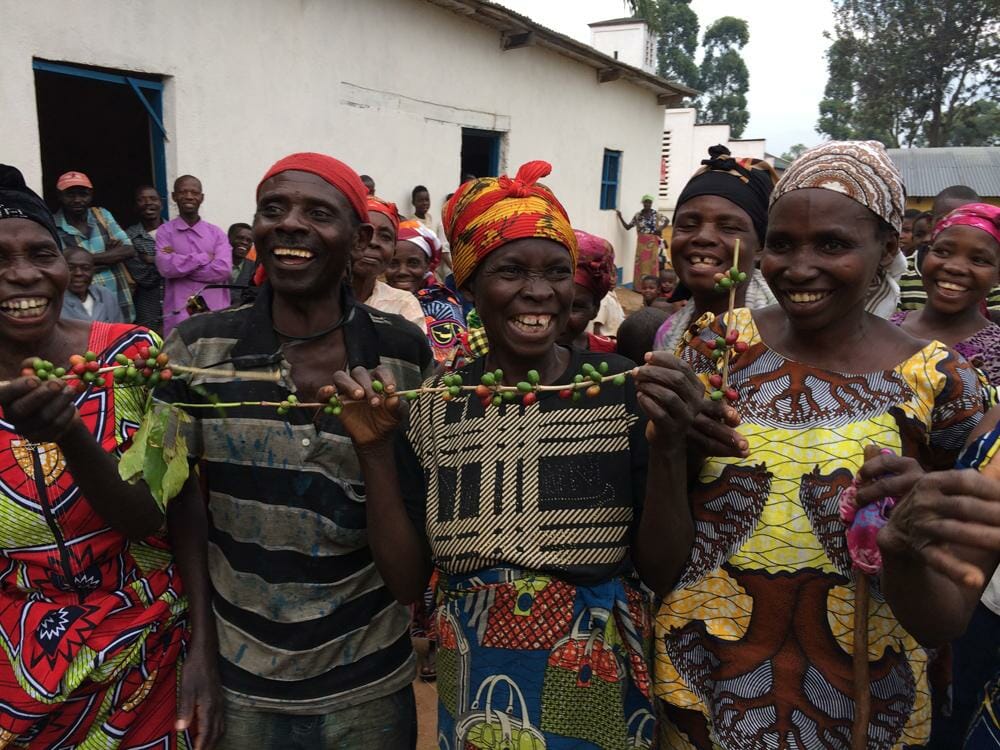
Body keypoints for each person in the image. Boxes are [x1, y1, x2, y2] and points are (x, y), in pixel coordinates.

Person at [330, 160, 700, 749]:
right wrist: (374, 451)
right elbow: (405, 581)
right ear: (470, 286)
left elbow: (661, 569)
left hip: (595, 679)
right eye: (510, 271)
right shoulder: (433, 408)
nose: (539, 291)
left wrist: (669, 450)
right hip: (478, 686)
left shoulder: (625, 391)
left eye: (557, 272)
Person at [653, 141, 990, 749]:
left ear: (890, 249)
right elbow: (663, 550)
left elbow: (948, 617)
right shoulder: (716, 347)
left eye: (832, 245)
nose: (798, 267)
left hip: (863, 704)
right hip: (700, 692)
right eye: (781, 244)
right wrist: (671, 451)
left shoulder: (946, 387)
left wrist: (906, 542)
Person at [153, 153, 430, 749]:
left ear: (358, 240)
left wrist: (375, 447)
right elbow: (183, 512)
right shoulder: (198, 349)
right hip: (242, 680)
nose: (289, 224)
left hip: (369, 683)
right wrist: (200, 654)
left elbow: (410, 567)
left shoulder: (402, 354)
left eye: (317, 212)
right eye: (272, 209)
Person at [0, 165, 221, 748]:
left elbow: (169, 511)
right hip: (19, 671)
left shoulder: (135, 357)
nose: (22, 275)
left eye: (40, 253)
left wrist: (204, 649)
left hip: (150, 655)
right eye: (0, 258)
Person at [652, 145, 778, 354]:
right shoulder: (667, 336)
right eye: (688, 225)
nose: (703, 237)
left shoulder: (786, 333)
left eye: (728, 227)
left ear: (761, 246)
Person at [891, 203, 1000, 384]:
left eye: (979, 260)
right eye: (942, 251)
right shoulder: (886, 328)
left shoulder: (995, 351)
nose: (954, 267)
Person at [53, 171, 136, 322]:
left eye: (82, 194)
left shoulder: (102, 215)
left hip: (119, 298)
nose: (77, 200)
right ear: (59, 196)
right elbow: (59, 267)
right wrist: (109, 257)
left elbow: (129, 250)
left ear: (91, 195)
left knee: (122, 341)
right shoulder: (53, 227)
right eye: (70, 194)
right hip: (78, 310)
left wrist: (80, 261)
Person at [155, 175, 232, 335]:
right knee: (179, 358)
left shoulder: (216, 233)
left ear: (201, 197)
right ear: (174, 196)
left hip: (215, 312)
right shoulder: (165, 232)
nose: (189, 196)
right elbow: (166, 267)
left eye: (194, 192)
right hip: (179, 314)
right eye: (183, 192)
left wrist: (181, 266)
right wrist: (203, 258)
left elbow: (223, 270)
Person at [389, 220, 469, 367]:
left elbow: (451, 364)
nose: (402, 272)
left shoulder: (443, 306)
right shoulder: (378, 299)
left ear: (427, 265)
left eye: (413, 263)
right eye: (393, 263)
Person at [351, 197, 425, 329]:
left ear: (393, 251)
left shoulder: (403, 305)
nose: (373, 242)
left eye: (385, 236)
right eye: (363, 233)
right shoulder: (313, 298)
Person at [557, 229, 618, 352]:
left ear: (595, 309)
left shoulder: (608, 355)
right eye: (553, 302)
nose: (561, 319)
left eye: (575, 307)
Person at [125, 185, 166, 331]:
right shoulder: (129, 237)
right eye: (141, 200)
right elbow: (145, 278)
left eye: (153, 199)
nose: (148, 203)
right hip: (147, 310)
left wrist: (152, 260)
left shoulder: (176, 231)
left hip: (176, 306)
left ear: (161, 203)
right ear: (135, 206)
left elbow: (186, 266)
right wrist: (170, 263)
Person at [60, 246, 123, 322]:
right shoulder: (54, 302)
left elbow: (119, 329)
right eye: (70, 268)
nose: (78, 273)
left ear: (93, 271)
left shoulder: (105, 295)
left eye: (85, 268)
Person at [617, 194, 669, 283]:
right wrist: (620, 217)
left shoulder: (656, 214)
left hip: (653, 243)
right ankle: (639, 286)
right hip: (641, 243)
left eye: (649, 202)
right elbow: (628, 227)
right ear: (643, 203)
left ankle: (653, 285)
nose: (647, 204)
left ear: (651, 203)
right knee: (640, 264)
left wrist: (660, 228)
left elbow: (667, 220)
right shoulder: (638, 215)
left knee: (652, 264)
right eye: (646, 202)